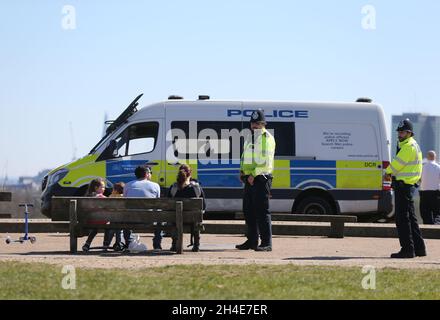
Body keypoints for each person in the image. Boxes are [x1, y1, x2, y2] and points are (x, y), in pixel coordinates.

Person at [385, 119, 426, 258]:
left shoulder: (408, 147)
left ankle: (407, 249)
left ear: (409, 133)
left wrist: (386, 172)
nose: (399, 134)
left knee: (402, 219)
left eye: (402, 132)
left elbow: (396, 165)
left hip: (403, 186)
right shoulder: (412, 144)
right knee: (411, 218)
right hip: (408, 186)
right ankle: (419, 248)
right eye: (399, 131)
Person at [236, 109, 276, 252]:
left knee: (262, 211)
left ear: (263, 124)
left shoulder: (266, 138)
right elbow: (244, 156)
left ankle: (266, 243)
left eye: (257, 123)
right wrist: (242, 170)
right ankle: (252, 240)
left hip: (261, 178)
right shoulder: (250, 137)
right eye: (253, 123)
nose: (254, 126)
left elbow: (265, 161)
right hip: (249, 179)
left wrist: (253, 174)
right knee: (248, 211)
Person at [167, 164, 206, 252]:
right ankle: (196, 245)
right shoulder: (196, 188)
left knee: (173, 218)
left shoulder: (173, 188)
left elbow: (168, 205)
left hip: (175, 219)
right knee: (197, 219)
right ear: (190, 174)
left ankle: (174, 244)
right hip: (193, 220)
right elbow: (204, 205)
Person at [124, 166, 162, 250]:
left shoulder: (127, 185)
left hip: (131, 220)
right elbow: (157, 203)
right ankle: (157, 244)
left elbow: (125, 203)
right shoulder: (155, 186)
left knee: (125, 215)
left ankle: (129, 242)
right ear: (146, 174)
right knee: (161, 216)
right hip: (150, 220)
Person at [82, 178, 113, 252]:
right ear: (96, 188)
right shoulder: (102, 197)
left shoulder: (87, 197)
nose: (104, 189)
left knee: (95, 229)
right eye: (102, 187)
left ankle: (87, 244)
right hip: (101, 221)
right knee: (108, 227)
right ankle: (105, 245)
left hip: (90, 221)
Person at [419, 151, 440, 225]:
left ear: (427, 157)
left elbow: (419, 179)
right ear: (435, 157)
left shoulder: (422, 167)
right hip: (435, 193)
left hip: (424, 193)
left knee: (425, 213)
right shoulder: (438, 167)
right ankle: (436, 227)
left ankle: (427, 227)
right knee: (437, 212)